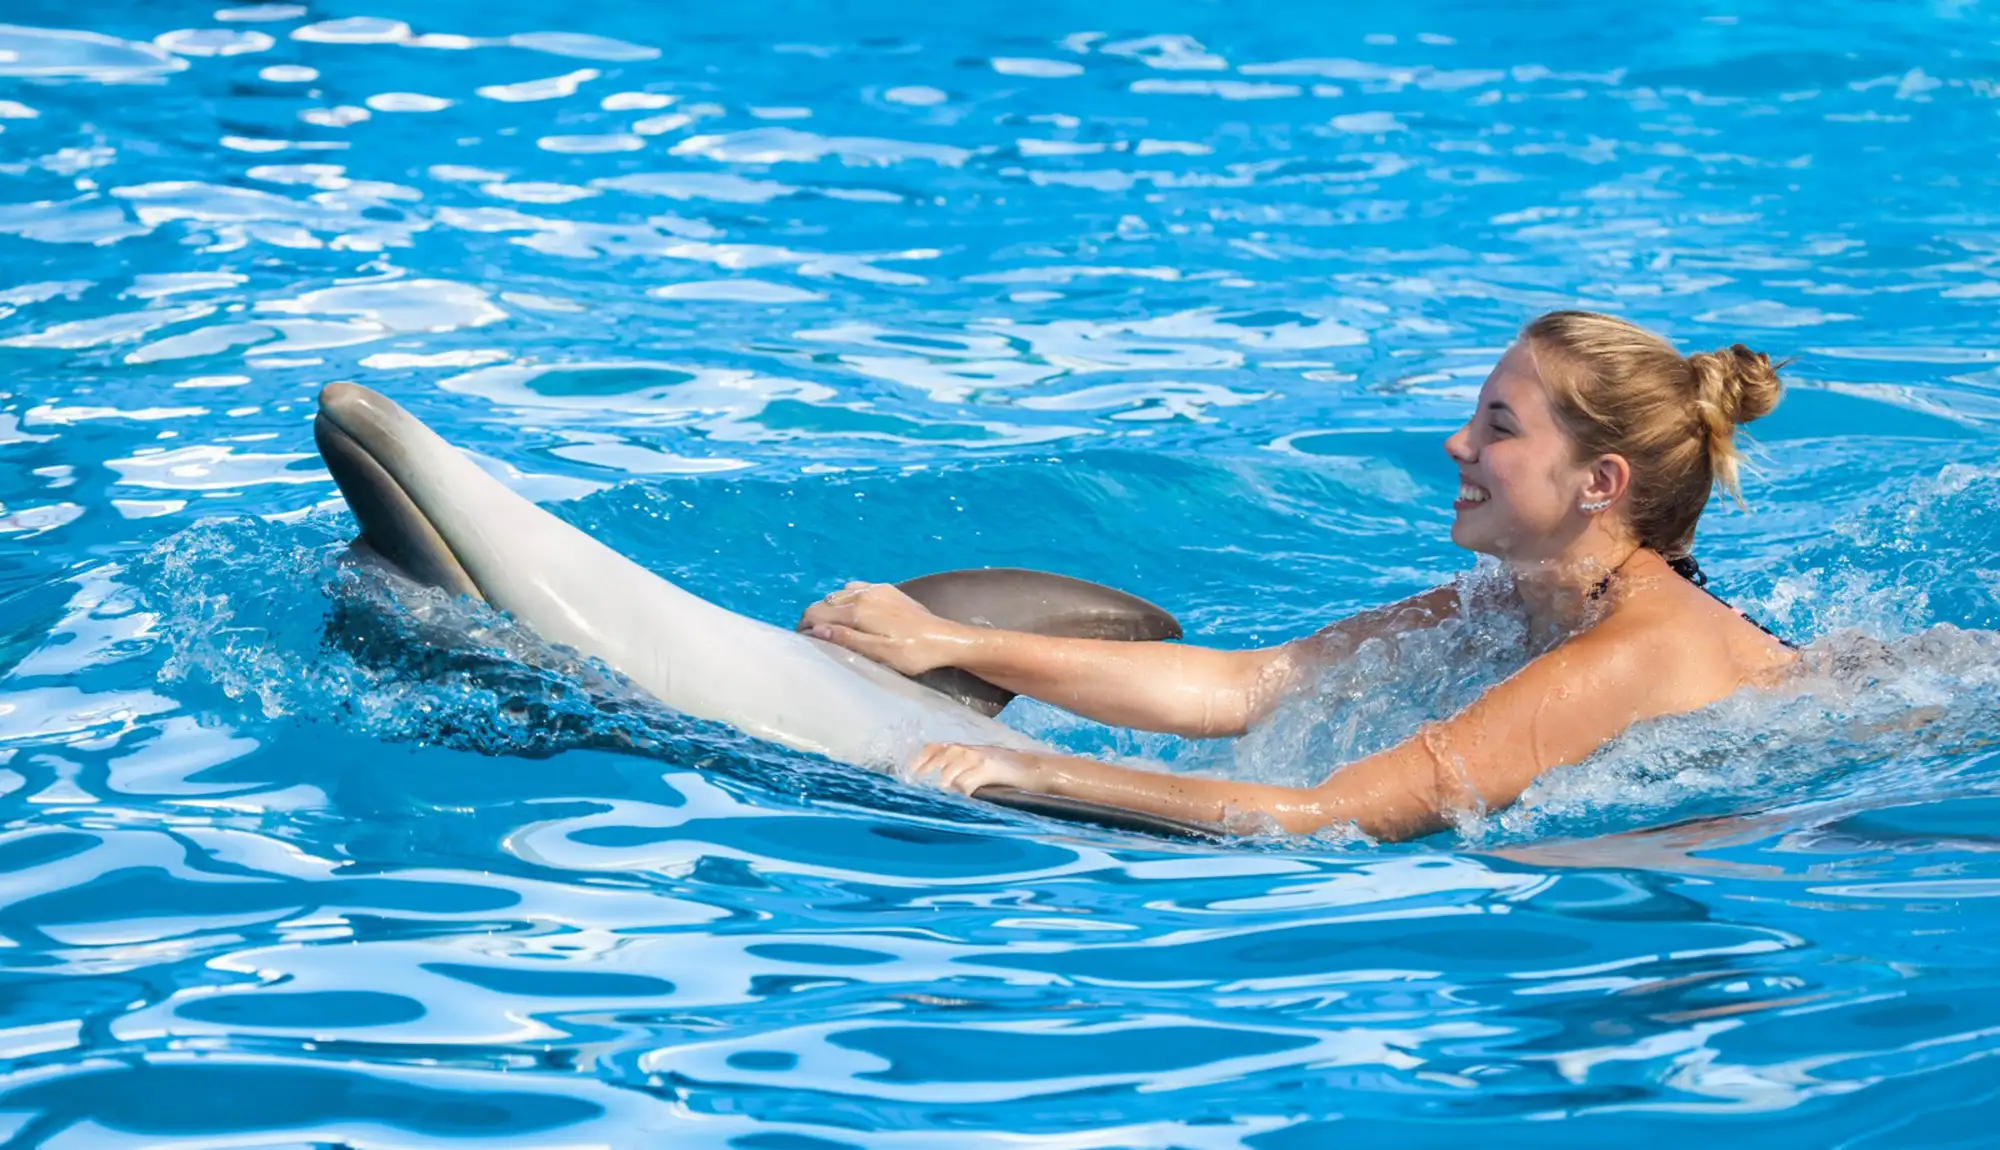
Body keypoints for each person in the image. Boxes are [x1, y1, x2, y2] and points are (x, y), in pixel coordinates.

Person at [799, 311, 1797, 840]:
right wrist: (952, 643)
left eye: (1497, 426)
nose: (1455, 444)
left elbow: (1336, 814)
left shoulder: (1636, 647)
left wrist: (1037, 771)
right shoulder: (1512, 598)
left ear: (1598, 482)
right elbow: (1247, 686)